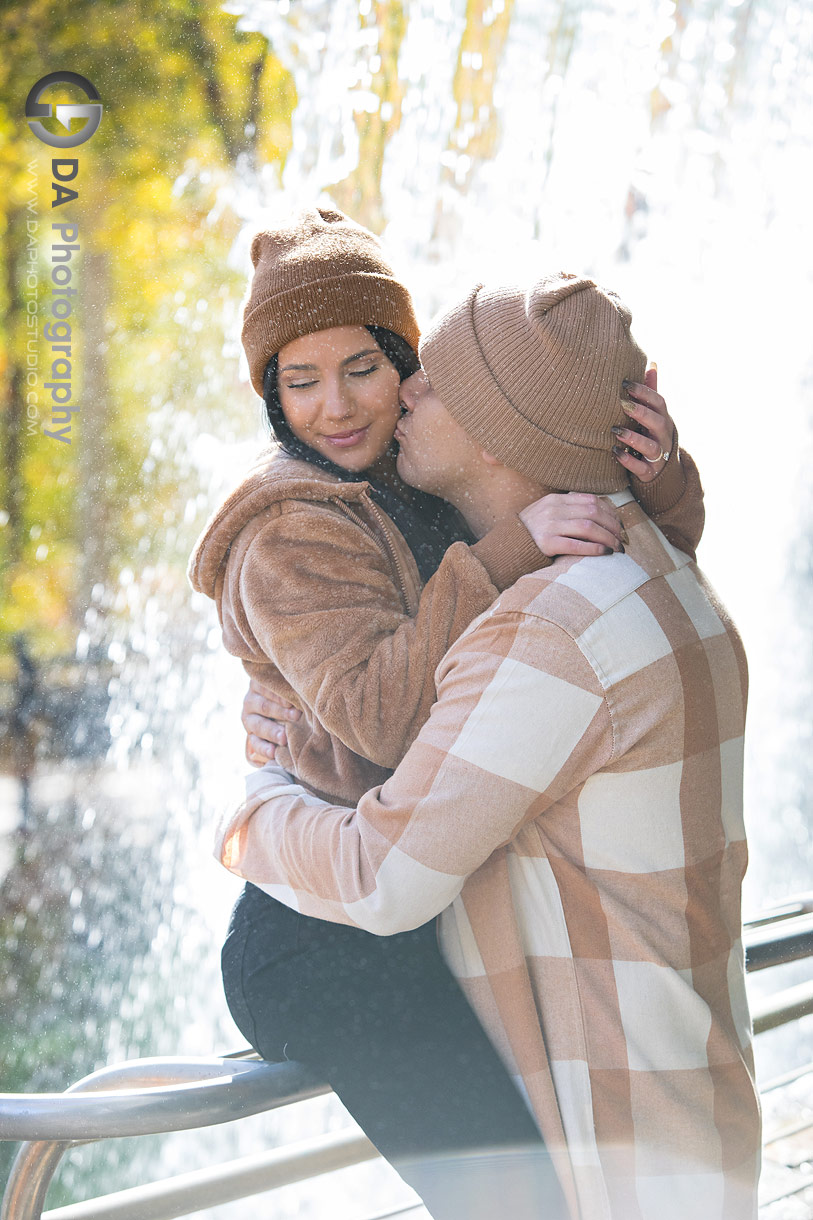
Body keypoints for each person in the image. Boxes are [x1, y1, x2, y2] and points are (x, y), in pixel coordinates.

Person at [214, 271, 759, 1220]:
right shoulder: (297, 524)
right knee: (514, 1199)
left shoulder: (533, 574)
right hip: (324, 940)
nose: (348, 404)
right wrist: (259, 789)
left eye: (384, 369)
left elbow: (609, 505)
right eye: (298, 381)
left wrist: (650, 466)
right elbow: (380, 723)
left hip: (391, 889)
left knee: (524, 1197)